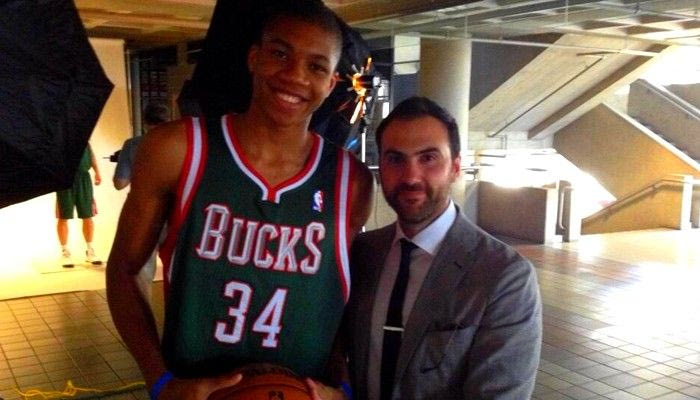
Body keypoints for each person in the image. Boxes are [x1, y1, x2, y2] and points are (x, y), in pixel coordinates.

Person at [105, 2, 373, 400]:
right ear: (254, 57)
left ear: (332, 82)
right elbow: (125, 270)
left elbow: (337, 301)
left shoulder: (352, 180)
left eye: (316, 66)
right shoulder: (178, 149)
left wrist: (342, 386)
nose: (295, 75)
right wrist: (159, 381)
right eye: (280, 54)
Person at [344, 97, 542, 399]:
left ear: (455, 167)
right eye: (395, 159)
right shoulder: (363, 253)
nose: (410, 177)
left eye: (428, 158)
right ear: (380, 167)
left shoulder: (504, 277)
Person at [113, 102, 170, 300]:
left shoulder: (132, 145)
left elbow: (120, 183)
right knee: (178, 271)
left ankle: (145, 316)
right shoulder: (181, 143)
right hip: (174, 212)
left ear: (145, 122)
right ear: (168, 120)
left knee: (142, 275)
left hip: (142, 213)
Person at [56, 143, 102, 268]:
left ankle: (90, 250)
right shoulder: (60, 140)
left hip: (84, 179)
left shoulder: (85, 141)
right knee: (63, 216)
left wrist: (97, 172)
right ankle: (65, 252)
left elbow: (91, 155)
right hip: (65, 179)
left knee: (87, 215)